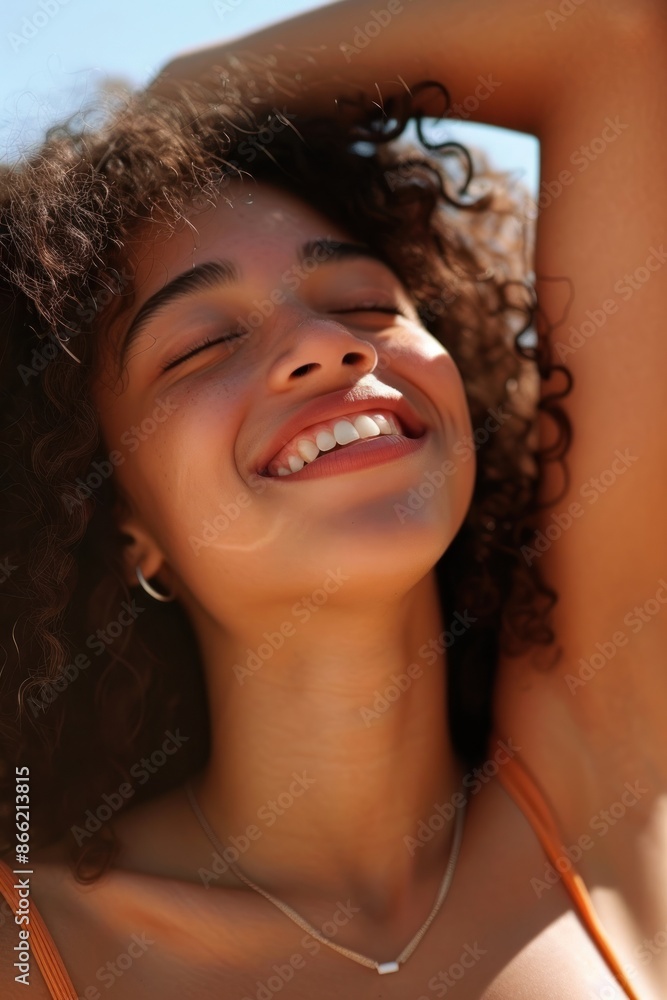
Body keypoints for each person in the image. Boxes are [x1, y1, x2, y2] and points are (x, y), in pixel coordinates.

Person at [0, 1, 665, 998]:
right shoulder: (36, 947)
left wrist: (196, 87)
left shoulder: (603, 777)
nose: (329, 345)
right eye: (202, 345)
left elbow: (608, 35)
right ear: (117, 520)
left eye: (364, 304)